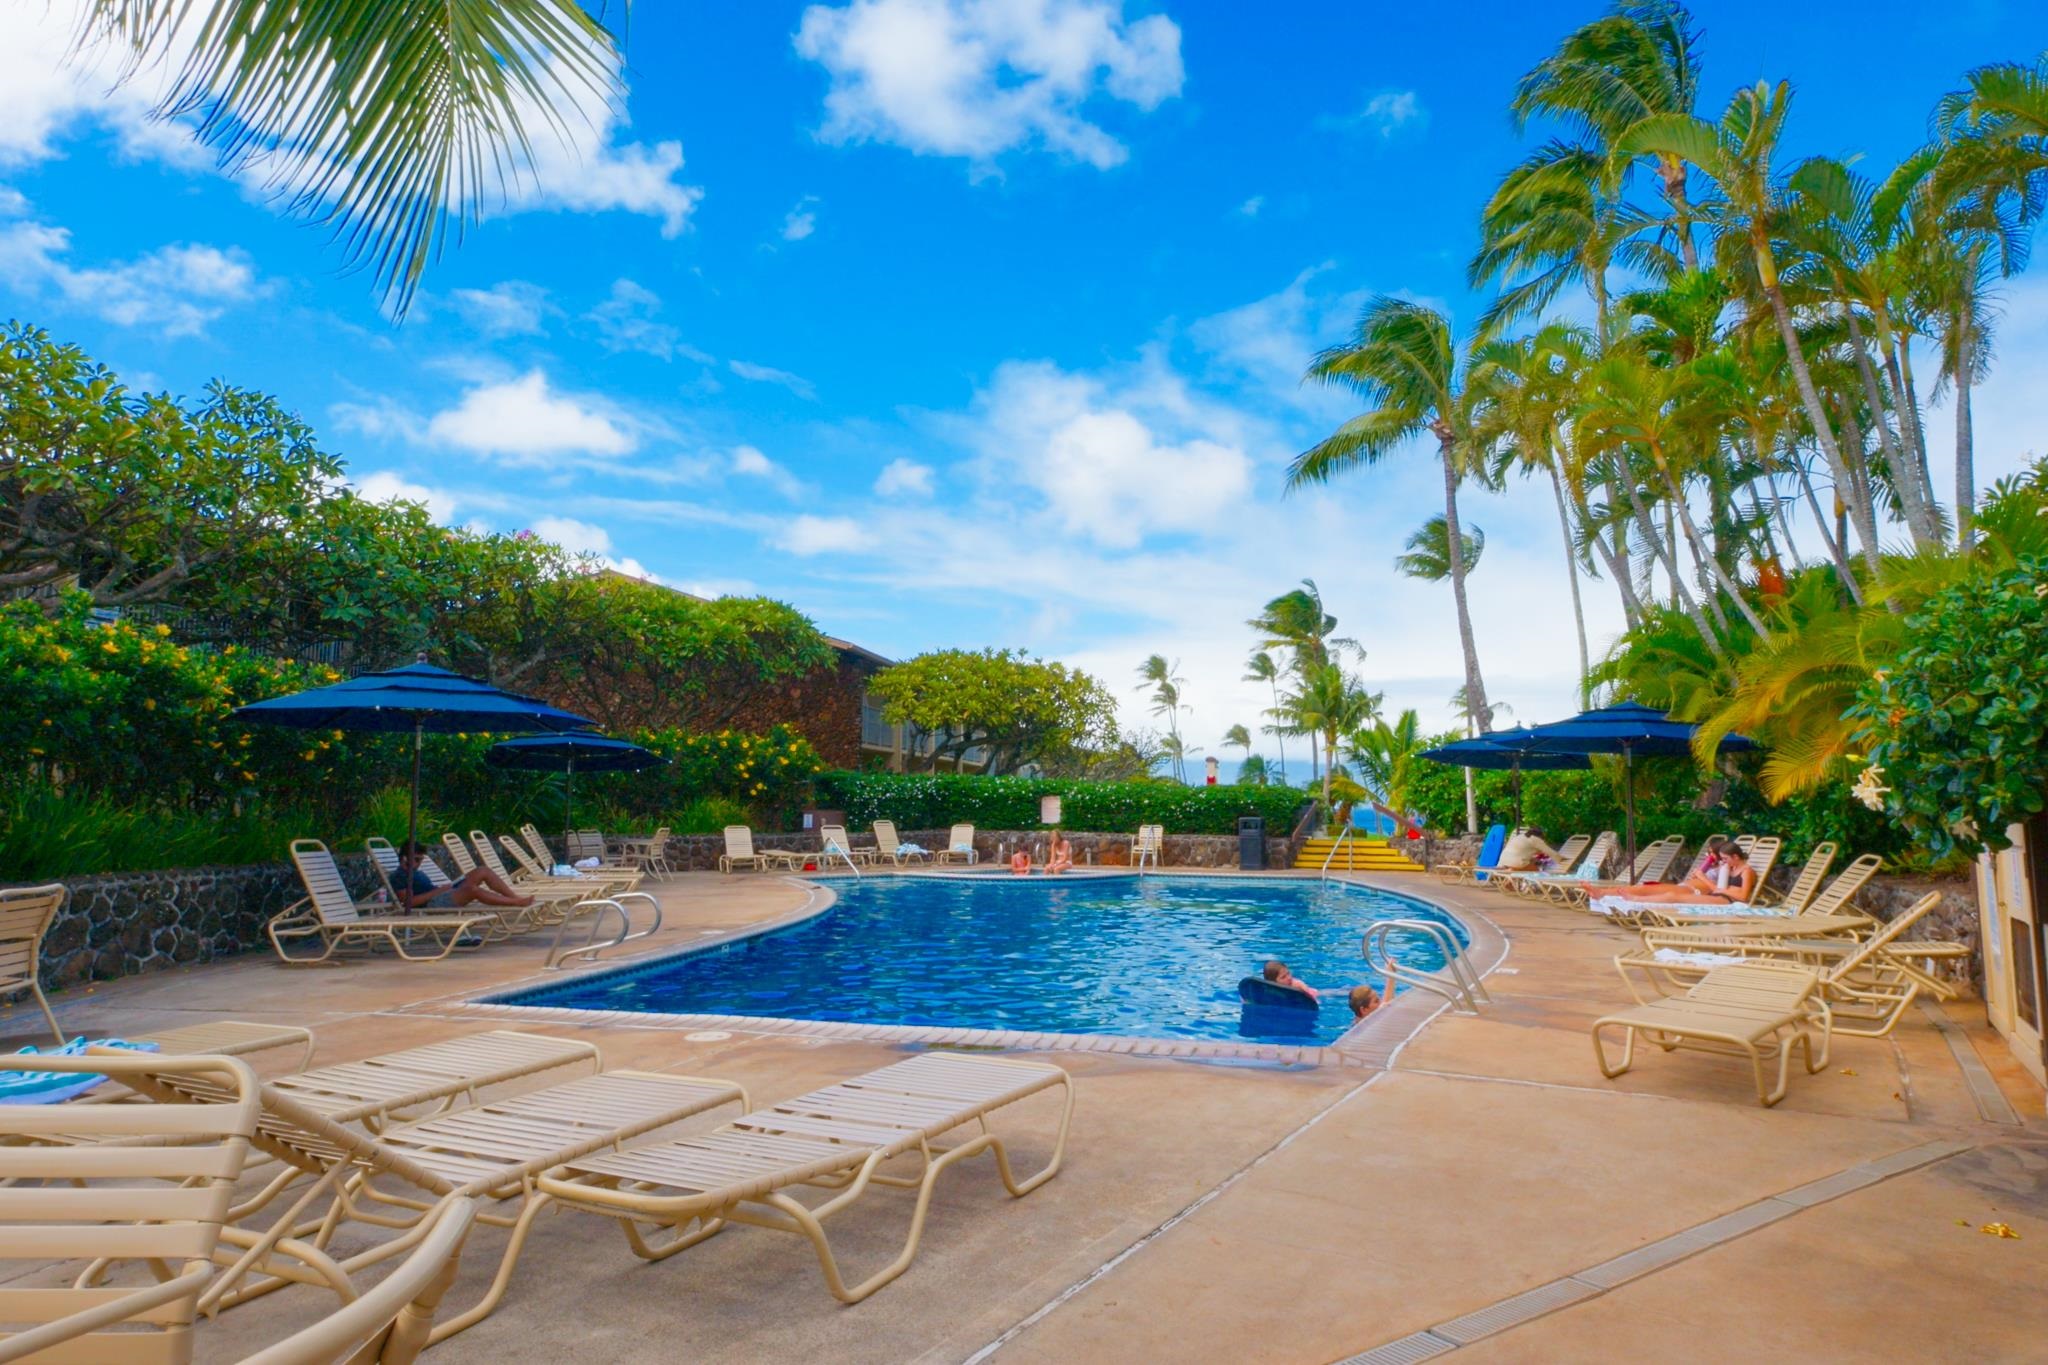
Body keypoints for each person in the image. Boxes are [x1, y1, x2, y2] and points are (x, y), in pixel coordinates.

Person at [1606, 837, 1755, 906]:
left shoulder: (1746, 871)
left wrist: (1721, 888)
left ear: (1735, 856)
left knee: (1674, 896)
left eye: (1725, 859)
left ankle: (1636, 900)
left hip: (1727, 900)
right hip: (1719, 895)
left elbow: (1743, 896)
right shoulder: (1731, 868)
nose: (1723, 862)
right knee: (1672, 894)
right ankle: (1635, 899)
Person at [395, 839, 535, 910]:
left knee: (482, 871)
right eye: (417, 859)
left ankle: (515, 897)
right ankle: (515, 903)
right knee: (472, 890)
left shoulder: (414, 872)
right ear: (405, 858)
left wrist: (442, 889)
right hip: (432, 903)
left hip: (442, 893)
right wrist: (438, 891)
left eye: (421, 859)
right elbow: (408, 902)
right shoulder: (400, 876)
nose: (419, 863)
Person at [1497, 825, 1569, 872]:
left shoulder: (1520, 836)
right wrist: (1562, 859)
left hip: (1504, 861)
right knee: (1536, 870)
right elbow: (1551, 852)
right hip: (1516, 862)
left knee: (1526, 864)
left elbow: (1524, 852)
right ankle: (1532, 888)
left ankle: (1510, 880)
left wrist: (1535, 860)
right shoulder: (1536, 839)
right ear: (1540, 835)